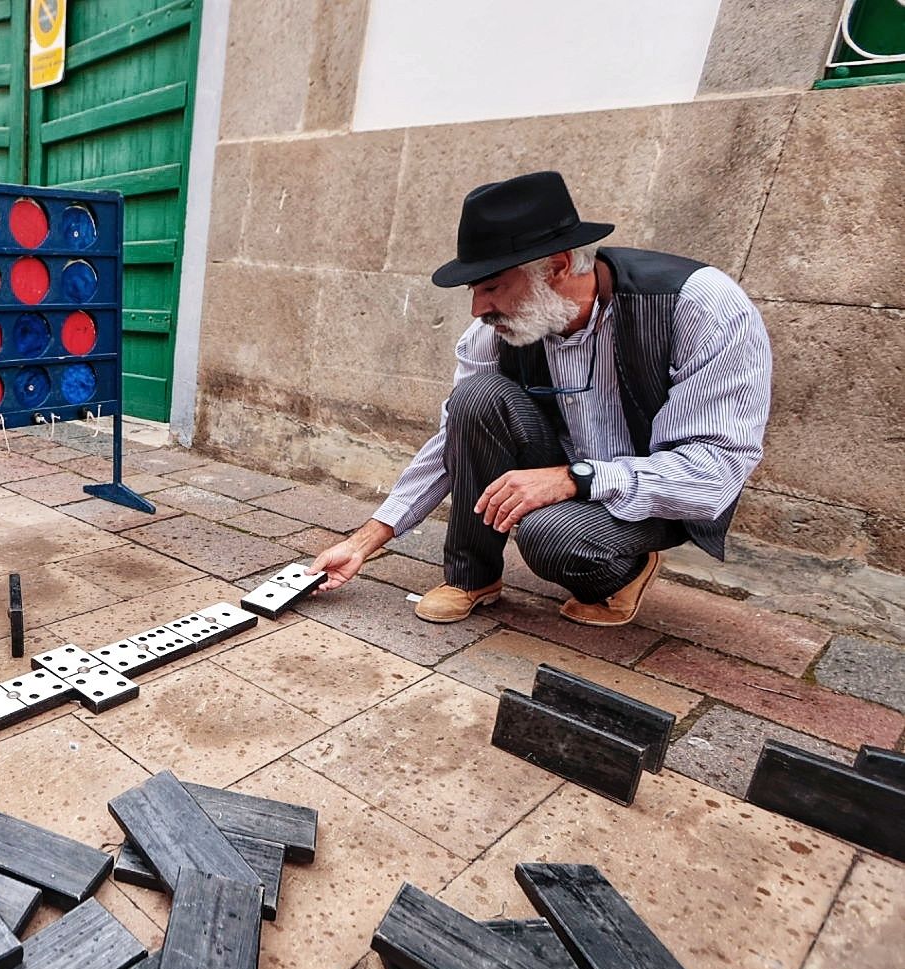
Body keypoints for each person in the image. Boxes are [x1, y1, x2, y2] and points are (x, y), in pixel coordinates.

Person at [308, 171, 772, 628]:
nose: (478, 309)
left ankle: (623, 573)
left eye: (491, 287)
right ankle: (473, 577)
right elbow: (454, 439)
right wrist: (364, 541)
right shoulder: (497, 330)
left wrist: (576, 479)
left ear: (557, 267)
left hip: (661, 493)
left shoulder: (698, 306)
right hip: (561, 467)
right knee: (476, 399)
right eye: (475, 291)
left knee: (551, 537)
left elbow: (715, 472)